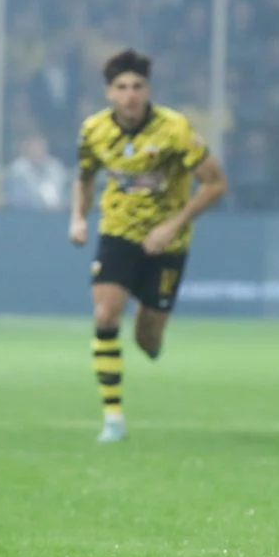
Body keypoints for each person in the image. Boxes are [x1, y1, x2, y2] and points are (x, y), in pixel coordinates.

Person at [69, 49, 229, 443]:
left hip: (167, 242)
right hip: (118, 232)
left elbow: (215, 183)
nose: (130, 95)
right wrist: (78, 217)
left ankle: (151, 336)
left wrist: (173, 225)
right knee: (106, 314)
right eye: (122, 87)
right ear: (109, 93)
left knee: (147, 339)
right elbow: (85, 176)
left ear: (148, 90)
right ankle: (113, 419)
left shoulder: (175, 130)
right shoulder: (93, 130)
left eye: (137, 86)